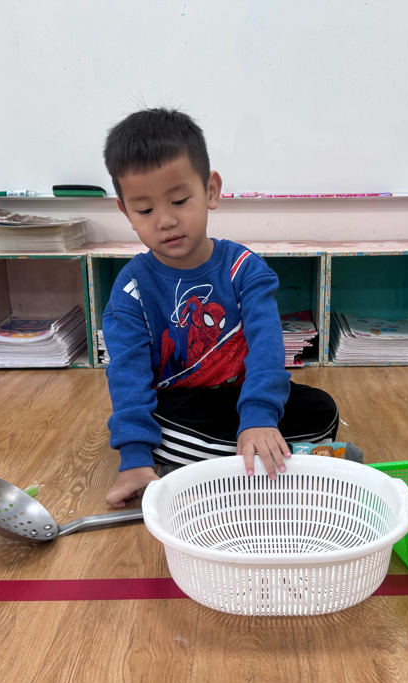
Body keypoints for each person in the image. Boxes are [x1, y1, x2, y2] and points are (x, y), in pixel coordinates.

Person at [101, 107, 340, 508]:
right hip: (181, 406)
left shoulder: (245, 269)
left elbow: (267, 350)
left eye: (179, 200)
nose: (165, 220)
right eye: (145, 210)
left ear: (211, 191)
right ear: (126, 212)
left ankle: (224, 456)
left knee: (323, 412)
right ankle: (279, 459)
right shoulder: (131, 289)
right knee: (159, 426)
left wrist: (259, 416)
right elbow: (127, 377)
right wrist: (135, 458)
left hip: (242, 395)